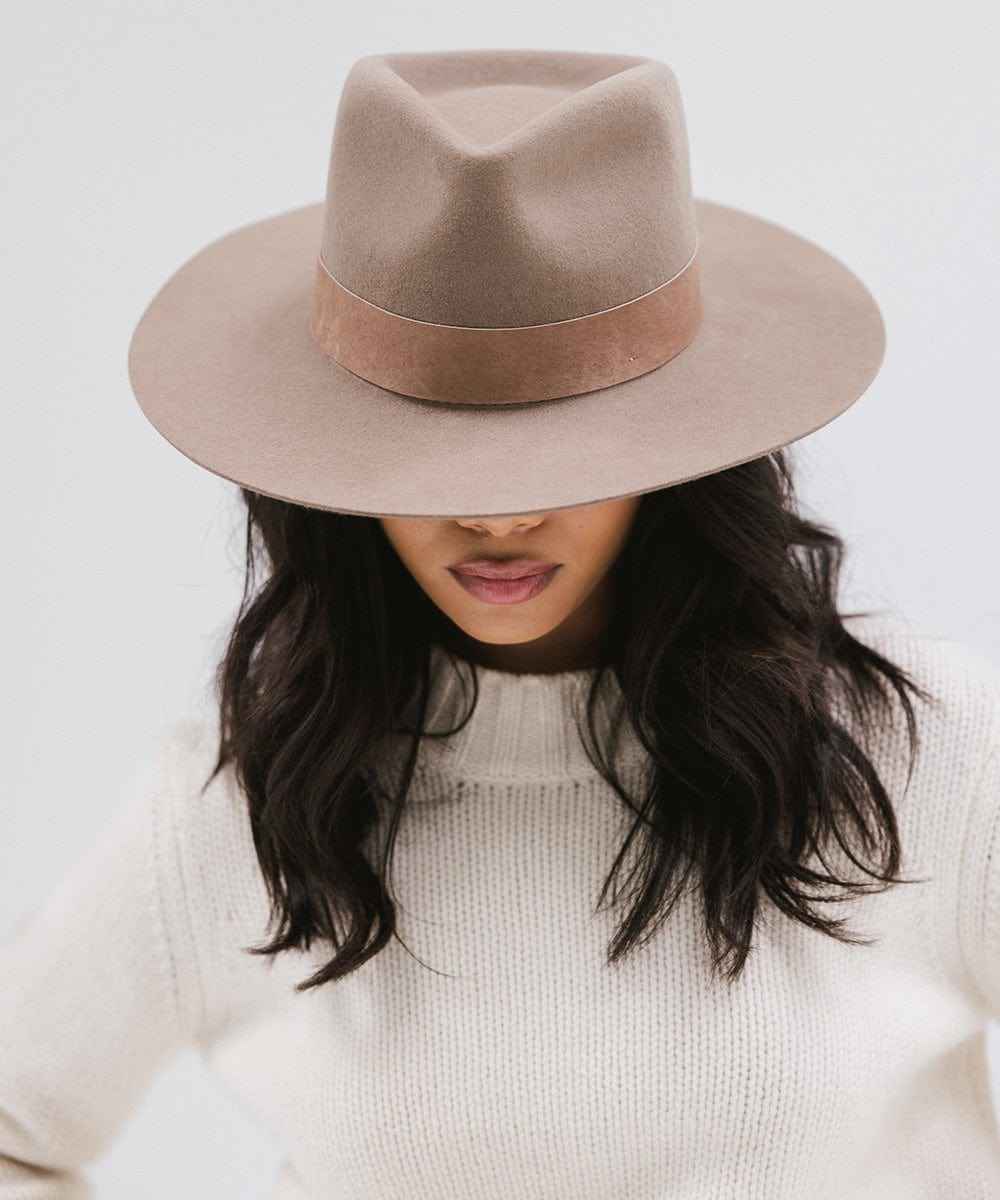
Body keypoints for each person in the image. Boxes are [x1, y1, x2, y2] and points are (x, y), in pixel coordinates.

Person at [4, 47, 1000, 1200]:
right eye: (429, 451)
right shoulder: (247, 812)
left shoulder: (927, 761)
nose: (497, 513)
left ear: (677, 450)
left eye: (562, 446)